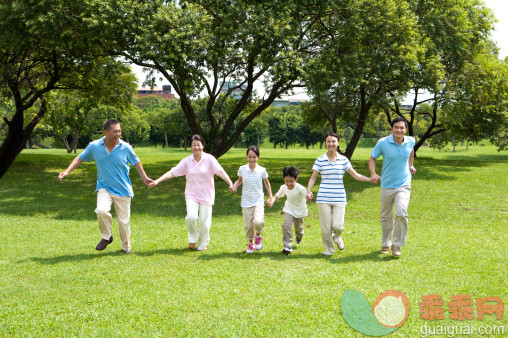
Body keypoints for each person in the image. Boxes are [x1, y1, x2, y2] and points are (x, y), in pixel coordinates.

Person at [58, 119, 153, 254]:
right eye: (115, 131)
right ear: (106, 132)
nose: (118, 134)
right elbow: (79, 159)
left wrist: (144, 178)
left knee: (123, 222)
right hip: (104, 187)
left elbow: (136, 162)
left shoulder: (125, 147)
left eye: (119, 131)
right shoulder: (94, 146)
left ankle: (126, 247)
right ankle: (107, 237)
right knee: (101, 210)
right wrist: (66, 171)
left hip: (123, 189)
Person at [148, 134, 234, 252]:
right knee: (191, 217)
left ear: (203, 146)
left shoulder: (209, 159)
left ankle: (203, 244)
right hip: (191, 195)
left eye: (198, 145)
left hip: (206, 195)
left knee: (204, 223)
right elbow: (172, 172)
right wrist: (157, 181)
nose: (196, 147)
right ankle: (193, 237)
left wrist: (230, 183)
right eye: (194, 145)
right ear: (191, 147)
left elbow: (220, 171)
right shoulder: (187, 161)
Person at [307, 133, 376, 256]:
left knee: (338, 226)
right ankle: (329, 249)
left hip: (339, 197)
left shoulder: (344, 160)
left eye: (333, 141)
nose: (331, 144)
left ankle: (338, 237)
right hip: (323, 197)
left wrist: (369, 179)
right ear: (325, 143)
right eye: (328, 141)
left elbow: (355, 175)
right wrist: (308, 190)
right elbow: (313, 178)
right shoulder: (320, 160)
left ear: (338, 143)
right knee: (325, 227)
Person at [369, 117, 416, 257]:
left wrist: (411, 165)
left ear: (405, 129)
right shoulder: (383, 142)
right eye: (396, 127)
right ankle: (385, 243)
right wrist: (373, 173)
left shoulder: (410, 141)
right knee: (385, 216)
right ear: (392, 129)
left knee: (401, 213)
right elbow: (372, 158)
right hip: (387, 185)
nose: (399, 130)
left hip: (404, 184)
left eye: (402, 128)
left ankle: (397, 245)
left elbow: (411, 152)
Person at [232, 146, 273, 253]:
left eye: (254, 157)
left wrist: (270, 196)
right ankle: (251, 243)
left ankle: (258, 236)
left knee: (258, 222)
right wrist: (235, 186)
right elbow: (239, 180)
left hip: (258, 200)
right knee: (248, 226)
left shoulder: (262, 170)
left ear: (258, 157)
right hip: (246, 202)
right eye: (250, 157)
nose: (252, 159)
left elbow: (267, 183)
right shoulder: (242, 169)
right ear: (246, 157)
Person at [267, 166, 308, 255]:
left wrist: (309, 195)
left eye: (291, 181)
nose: (289, 183)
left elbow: (307, 194)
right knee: (286, 226)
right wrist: (272, 201)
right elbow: (277, 196)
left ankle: (299, 235)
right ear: (284, 179)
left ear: (296, 179)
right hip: (289, 209)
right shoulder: (283, 187)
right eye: (286, 181)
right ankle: (287, 246)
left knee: (299, 227)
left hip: (300, 211)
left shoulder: (300, 188)